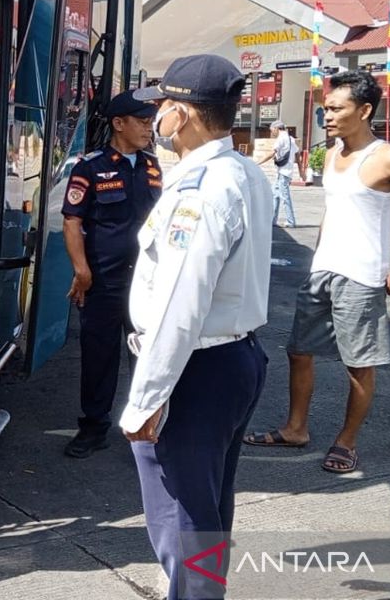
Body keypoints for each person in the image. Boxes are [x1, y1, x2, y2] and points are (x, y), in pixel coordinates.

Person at [121, 54, 272, 600]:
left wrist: (146, 397)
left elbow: (179, 306)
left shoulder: (203, 189)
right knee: (207, 507)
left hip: (195, 366)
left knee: (180, 512)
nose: (156, 117)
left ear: (181, 114)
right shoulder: (242, 172)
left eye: (160, 106)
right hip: (231, 358)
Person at [245, 70, 390, 473]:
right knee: (299, 351)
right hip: (323, 271)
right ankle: (296, 428)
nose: (328, 116)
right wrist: (316, 259)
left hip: (361, 276)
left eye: (337, 108)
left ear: (365, 110)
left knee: (358, 363)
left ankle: (346, 441)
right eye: (325, 108)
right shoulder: (334, 153)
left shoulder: (387, 158)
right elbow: (333, 214)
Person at [60, 90, 161, 458]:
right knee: (99, 357)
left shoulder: (153, 167)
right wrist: (82, 271)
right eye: (142, 122)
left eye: (151, 122)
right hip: (103, 281)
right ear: (119, 124)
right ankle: (93, 428)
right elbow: (73, 222)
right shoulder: (90, 166)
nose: (149, 129)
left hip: (147, 283)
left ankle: (147, 428)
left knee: (147, 357)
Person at [255, 120, 296, 227]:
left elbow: (272, 153)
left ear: (277, 128)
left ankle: (290, 221)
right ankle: (273, 220)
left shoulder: (281, 138)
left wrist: (258, 162)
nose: (272, 132)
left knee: (284, 196)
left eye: (272, 130)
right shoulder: (291, 139)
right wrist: (301, 170)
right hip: (286, 171)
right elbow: (298, 154)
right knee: (275, 195)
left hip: (283, 171)